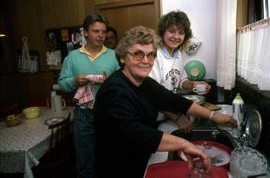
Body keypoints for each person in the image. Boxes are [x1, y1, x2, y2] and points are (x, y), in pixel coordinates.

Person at [93, 26, 237, 178]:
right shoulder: (115, 91)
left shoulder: (144, 82)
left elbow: (175, 101)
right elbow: (136, 133)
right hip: (116, 166)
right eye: (137, 54)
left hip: (137, 157)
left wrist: (214, 116)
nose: (145, 61)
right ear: (122, 58)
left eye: (151, 55)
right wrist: (184, 144)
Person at [58, 13, 119, 178]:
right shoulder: (72, 57)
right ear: (85, 32)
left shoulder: (114, 56)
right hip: (83, 114)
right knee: (85, 162)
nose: (101, 35)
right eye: (96, 31)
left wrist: (110, 83)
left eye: (103, 31)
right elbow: (62, 83)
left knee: (109, 159)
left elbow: (123, 85)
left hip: (108, 113)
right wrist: (74, 81)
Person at [149, 11, 211, 133]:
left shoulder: (178, 54)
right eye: (172, 31)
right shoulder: (155, 56)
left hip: (167, 114)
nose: (176, 36)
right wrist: (177, 117)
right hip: (152, 116)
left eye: (181, 32)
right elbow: (152, 95)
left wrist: (194, 84)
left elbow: (182, 80)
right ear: (162, 32)